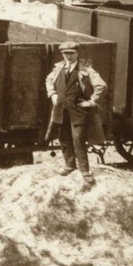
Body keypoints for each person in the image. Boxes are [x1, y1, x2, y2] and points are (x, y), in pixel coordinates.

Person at [45, 42, 108, 182]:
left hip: (78, 111)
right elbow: (48, 80)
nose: (68, 56)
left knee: (78, 139)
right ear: (62, 54)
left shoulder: (85, 69)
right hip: (61, 109)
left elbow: (101, 86)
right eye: (65, 53)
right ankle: (69, 165)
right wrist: (53, 94)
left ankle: (84, 170)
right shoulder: (58, 67)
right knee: (63, 138)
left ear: (77, 54)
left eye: (71, 53)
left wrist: (91, 102)